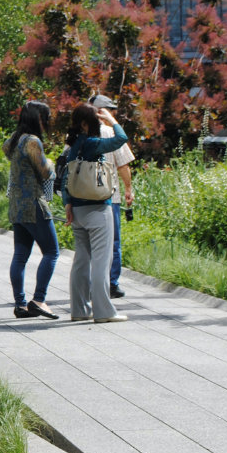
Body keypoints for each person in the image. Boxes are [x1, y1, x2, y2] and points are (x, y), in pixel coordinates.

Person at [63, 103, 131, 323]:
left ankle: (79, 309)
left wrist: (68, 205)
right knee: (102, 261)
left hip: (78, 209)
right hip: (99, 208)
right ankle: (104, 312)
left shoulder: (72, 145)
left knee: (81, 261)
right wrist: (112, 120)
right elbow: (121, 139)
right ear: (86, 123)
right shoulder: (92, 143)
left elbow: (66, 177)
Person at [3, 101, 60, 319]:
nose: (47, 122)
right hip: (33, 204)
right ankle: (38, 299)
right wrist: (52, 163)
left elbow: (7, 150)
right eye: (46, 118)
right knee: (52, 252)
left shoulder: (14, 140)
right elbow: (45, 172)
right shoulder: (32, 142)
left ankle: (20, 304)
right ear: (38, 118)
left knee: (20, 256)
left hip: (16, 205)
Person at [88, 94, 136, 299]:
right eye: (110, 111)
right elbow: (123, 165)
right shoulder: (110, 133)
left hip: (84, 197)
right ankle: (112, 283)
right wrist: (128, 189)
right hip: (110, 196)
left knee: (88, 243)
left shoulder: (76, 134)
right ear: (102, 112)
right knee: (113, 241)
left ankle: (91, 282)